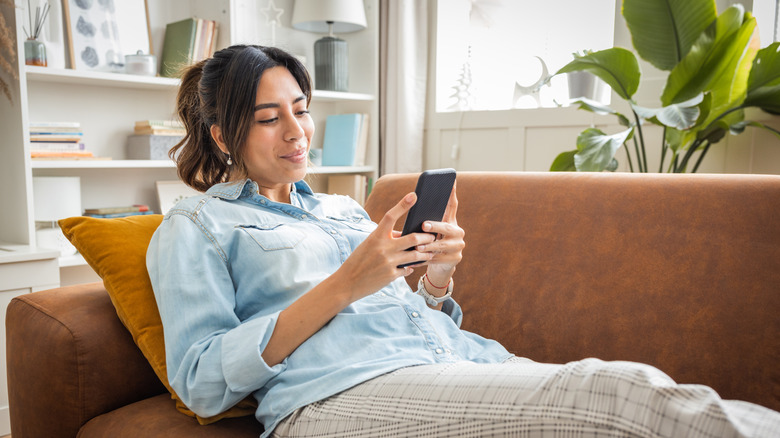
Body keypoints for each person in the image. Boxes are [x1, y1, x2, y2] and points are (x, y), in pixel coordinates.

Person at [147, 45, 780, 438]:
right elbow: (201, 378)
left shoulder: (340, 209)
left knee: (632, 394)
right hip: (330, 399)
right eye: (268, 118)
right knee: (619, 395)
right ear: (223, 136)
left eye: (302, 108)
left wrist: (437, 279)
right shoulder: (195, 227)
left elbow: (399, 315)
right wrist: (346, 284)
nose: (297, 130)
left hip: (449, 362)